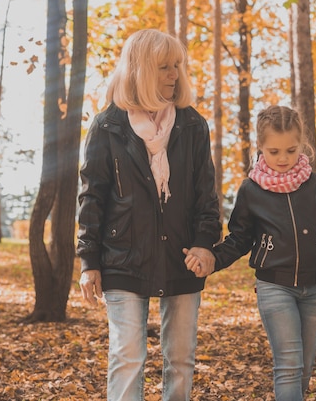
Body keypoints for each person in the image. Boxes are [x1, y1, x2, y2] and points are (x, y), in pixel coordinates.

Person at [76, 29, 221, 401]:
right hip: (122, 257)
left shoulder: (192, 125)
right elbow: (92, 196)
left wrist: (205, 243)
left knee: (180, 358)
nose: (174, 74)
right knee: (127, 356)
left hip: (182, 257)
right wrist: (88, 260)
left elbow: (206, 195)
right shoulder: (107, 126)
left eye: (177, 66)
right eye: (164, 67)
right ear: (140, 70)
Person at [186, 105, 316, 400]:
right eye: (274, 151)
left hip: (315, 288)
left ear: (302, 145)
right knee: (289, 366)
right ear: (260, 147)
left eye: (291, 150)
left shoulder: (315, 184)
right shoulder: (251, 190)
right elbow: (239, 239)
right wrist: (212, 260)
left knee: (303, 368)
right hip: (274, 288)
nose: (283, 159)